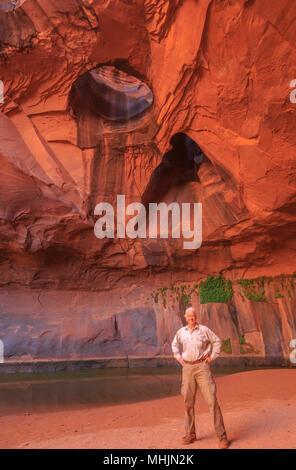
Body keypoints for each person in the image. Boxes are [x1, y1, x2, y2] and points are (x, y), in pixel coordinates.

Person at [171, 307, 230, 449]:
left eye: (193, 315)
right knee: (188, 402)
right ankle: (190, 434)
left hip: (202, 367)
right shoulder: (181, 332)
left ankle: (222, 437)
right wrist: (179, 358)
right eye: (189, 316)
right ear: (185, 317)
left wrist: (211, 357)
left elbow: (217, 342)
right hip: (187, 368)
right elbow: (174, 345)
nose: (191, 318)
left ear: (196, 317)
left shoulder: (204, 330)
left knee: (212, 400)